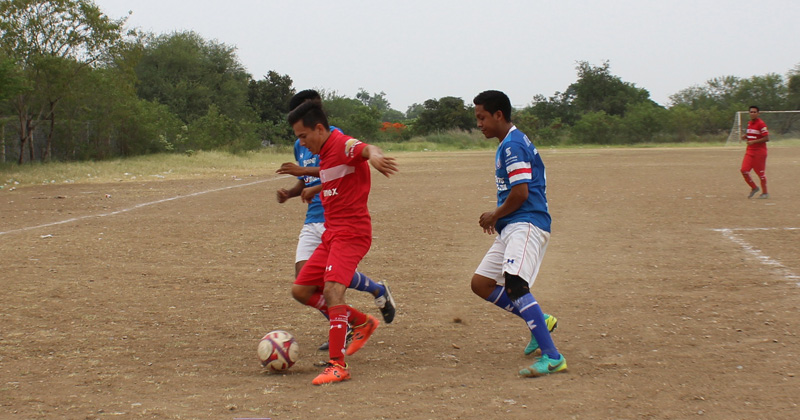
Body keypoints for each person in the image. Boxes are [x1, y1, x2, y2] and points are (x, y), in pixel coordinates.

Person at [287, 99, 398, 385]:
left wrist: (374, 156)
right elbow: (338, 176)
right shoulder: (324, 152)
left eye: (303, 136)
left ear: (319, 128)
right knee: (301, 290)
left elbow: (364, 149)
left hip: (351, 233)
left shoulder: (342, 143)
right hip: (331, 233)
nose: (302, 143)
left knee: (333, 290)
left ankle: (338, 365)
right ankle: (361, 321)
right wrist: (316, 188)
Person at [469, 90, 566, 377]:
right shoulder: (508, 143)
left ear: (498, 115)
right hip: (512, 225)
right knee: (481, 283)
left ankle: (553, 357)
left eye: (482, 117)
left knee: (515, 284)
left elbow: (521, 193)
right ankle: (541, 320)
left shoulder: (512, 146)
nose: (479, 124)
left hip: (526, 223)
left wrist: (494, 215)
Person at [740, 105, 770, 199]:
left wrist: (753, 142)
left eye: (754, 112)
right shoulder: (749, 123)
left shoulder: (761, 124)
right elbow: (752, 135)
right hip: (750, 151)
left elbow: (766, 138)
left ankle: (765, 193)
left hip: (759, 152)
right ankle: (754, 187)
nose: (752, 113)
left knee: (760, 173)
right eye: (751, 112)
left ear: (758, 113)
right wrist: (746, 136)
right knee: (744, 170)